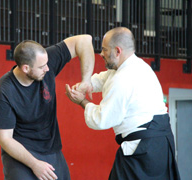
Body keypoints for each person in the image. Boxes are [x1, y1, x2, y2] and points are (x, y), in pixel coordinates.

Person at [65, 27, 180, 180]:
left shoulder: (123, 78)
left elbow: (101, 119)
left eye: (104, 50)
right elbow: (104, 78)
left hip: (144, 151)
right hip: (158, 144)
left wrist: (82, 101)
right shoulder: (135, 66)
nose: (101, 54)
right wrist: (86, 83)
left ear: (117, 51)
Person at [0, 35, 94, 180]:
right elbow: (5, 139)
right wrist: (34, 164)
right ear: (26, 68)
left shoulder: (45, 63)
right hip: (22, 153)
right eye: (41, 67)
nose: (47, 68)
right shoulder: (5, 90)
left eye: (46, 64)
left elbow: (84, 40)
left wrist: (86, 80)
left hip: (51, 149)